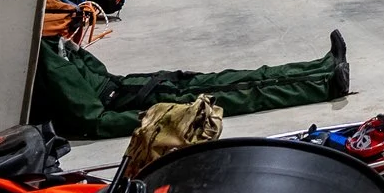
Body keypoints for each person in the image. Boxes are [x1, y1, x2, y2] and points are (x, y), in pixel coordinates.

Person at [30, 31, 351, 141]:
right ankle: (325, 84)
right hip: (140, 99)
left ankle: (319, 68)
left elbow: (96, 71)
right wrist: (172, 116)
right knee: (244, 91)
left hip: (138, 86)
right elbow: (95, 121)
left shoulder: (43, 49)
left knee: (239, 78)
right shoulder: (46, 62)